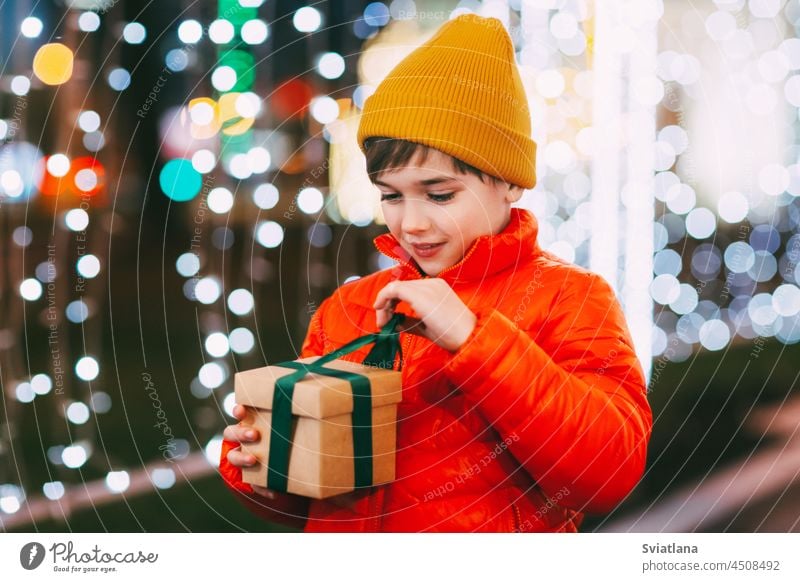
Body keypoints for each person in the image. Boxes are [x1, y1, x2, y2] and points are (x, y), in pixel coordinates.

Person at [219, 13, 652, 532]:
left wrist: (475, 339)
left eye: (439, 194)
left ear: (509, 182)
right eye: (391, 196)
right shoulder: (352, 309)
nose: (413, 223)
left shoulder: (571, 297)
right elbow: (313, 500)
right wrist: (261, 471)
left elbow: (609, 471)